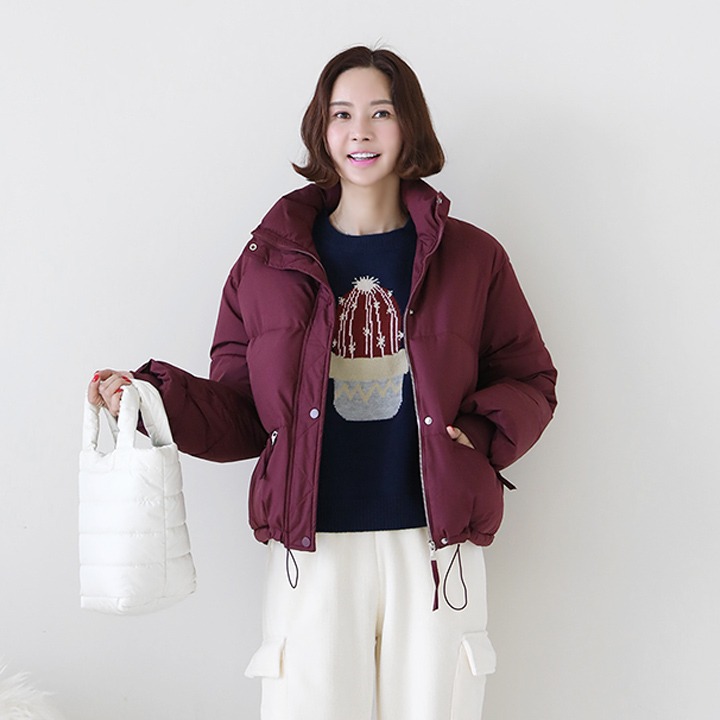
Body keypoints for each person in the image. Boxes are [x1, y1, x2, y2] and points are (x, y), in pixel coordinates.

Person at [88, 46, 557, 720]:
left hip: (434, 544)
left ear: (409, 125)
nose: (360, 131)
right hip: (310, 545)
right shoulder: (267, 262)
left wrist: (479, 435)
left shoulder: (471, 255)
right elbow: (244, 411)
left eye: (380, 113)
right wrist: (150, 397)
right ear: (321, 128)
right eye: (342, 114)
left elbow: (530, 375)